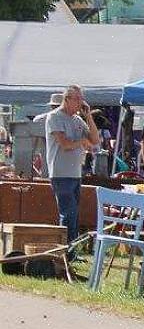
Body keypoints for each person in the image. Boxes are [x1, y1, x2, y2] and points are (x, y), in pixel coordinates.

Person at [45, 85, 100, 245]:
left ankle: (72, 248)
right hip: (60, 174)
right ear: (66, 99)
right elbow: (64, 144)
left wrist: (88, 116)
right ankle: (67, 248)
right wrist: (82, 141)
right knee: (68, 213)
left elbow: (95, 140)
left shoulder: (78, 120)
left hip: (75, 174)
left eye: (82, 99)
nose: (80, 103)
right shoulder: (54, 117)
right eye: (77, 99)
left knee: (74, 214)